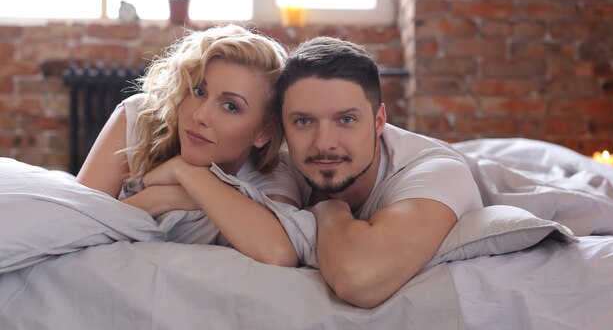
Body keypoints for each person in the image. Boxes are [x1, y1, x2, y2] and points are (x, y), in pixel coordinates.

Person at [275, 36, 483, 307]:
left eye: (346, 119)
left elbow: (358, 279)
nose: (324, 142)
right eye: (303, 121)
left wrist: (329, 208)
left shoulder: (438, 171)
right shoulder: (278, 160)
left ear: (379, 121)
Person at [77, 24, 299, 267]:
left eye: (231, 106)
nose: (200, 116)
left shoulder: (272, 176)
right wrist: (156, 199)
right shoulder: (140, 117)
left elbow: (278, 254)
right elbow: (72, 226)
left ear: (263, 133)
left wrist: (186, 173)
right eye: (199, 91)